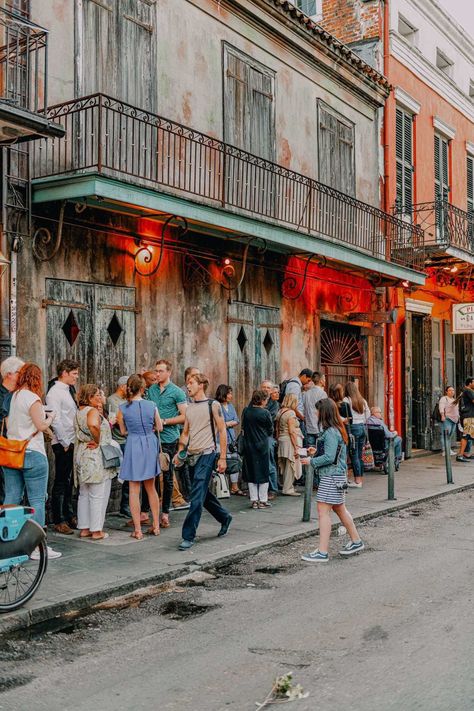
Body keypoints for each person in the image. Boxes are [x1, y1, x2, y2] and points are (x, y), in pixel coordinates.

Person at [3, 363, 61, 559]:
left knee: (11, 497)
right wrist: (51, 417)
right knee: (37, 500)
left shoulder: (13, 397)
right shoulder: (32, 398)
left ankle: (6, 540)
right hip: (32, 453)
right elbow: (41, 425)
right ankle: (37, 547)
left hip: (12, 453)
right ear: (36, 378)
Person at [301, 398, 365, 563]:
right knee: (340, 509)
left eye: (317, 411)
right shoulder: (337, 429)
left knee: (323, 512)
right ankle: (356, 541)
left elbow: (330, 457)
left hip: (331, 476)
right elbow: (334, 453)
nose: (315, 413)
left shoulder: (330, 432)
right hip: (338, 475)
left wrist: (311, 461)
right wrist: (316, 451)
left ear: (324, 413)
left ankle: (322, 552)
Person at [174, 373, 231, 550]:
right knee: (203, 494)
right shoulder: (189, 408)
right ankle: (224, 517)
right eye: (187, 383)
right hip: (192, 455)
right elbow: (185, 433)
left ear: (201, 385)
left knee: (196, 496)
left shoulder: (212, 405)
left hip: (207, 454)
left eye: (191, 383)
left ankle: (188, 535)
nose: (188, 386)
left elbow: (222, 430)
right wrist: (180, 452)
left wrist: (222, 457)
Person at [117, 374, 162, 539]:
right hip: (150, 444)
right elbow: (159, 427)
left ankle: (137, 530)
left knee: (134, 489)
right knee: (151, 488)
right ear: (143, 388)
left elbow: (122, 432)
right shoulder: (152, 405)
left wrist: (132, 431)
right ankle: (156, 526)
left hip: (133, 444)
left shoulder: (122, 408)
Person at [75, 384, 119, 540]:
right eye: (97, 395)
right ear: (89, 398)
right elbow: (93, 425)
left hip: (82, 454)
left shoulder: (80, 411)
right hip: (95, 456)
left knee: (84, 493)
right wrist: (98, 440)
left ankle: (85, 527)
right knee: (98, 494)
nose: (101, 398)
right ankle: (96, 530)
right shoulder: (92, 411)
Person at [148, 359, 188, 527]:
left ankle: (165, 513)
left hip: (169, 439)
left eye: (161, 371)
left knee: (167, 476)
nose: (157, 374)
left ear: (169, 372)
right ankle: (151, 513)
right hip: (152, 439)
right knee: (152, 476)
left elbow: (185, 416)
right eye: (156, 371)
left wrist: (164, 421)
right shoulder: (151, 389)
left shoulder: (177, 392)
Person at [46, 359, 79, 534]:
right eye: (74, 373)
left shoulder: (68, 390)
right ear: (64, 373)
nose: (76, 377)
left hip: (72, 441)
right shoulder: (54, 393)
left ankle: (69, 514)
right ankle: (59, 519)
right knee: (60, 481)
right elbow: (55, 419)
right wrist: (65, 443)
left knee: (69, 481)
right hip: (63, 443)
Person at [241, 389, 274, 508]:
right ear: (262, 400)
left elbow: (243, 426)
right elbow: (270, 430)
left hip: (249, 445)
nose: (267, 402)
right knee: (264, 472)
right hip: (262, 445)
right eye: (266, 400)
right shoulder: (265, 413)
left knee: (251, 472)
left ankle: (254, 500)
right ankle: (263, 500)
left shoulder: (246, 411)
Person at [0, 355, 24, 503]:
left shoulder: (19, 395)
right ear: (9, 374)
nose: (23, 376)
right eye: (20, 372)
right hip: (4, 447)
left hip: (15, 448)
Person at [107, 376, 130, 517]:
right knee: (117, 474)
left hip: (129, 440)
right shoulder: (112, 400)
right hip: (119, 440)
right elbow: (119, 420)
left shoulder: (128, 400)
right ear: (123, 387)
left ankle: (125, 505)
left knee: (129, 475)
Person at [215, 384, 241, 495]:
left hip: (231, 439)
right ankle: (221, 488)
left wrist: (225, 424)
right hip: (219, 439)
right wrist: (228, 424)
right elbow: (217, 424)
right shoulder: (217, 406)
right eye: (229, 393)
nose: (231, 395)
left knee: (233, 461)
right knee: (220, 462)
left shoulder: (230, 406)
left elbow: (237, 420)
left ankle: (234, 487)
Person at [276, 393, 304, 496]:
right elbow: (292, 431)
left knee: (285, 465)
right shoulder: (291, 413)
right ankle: (288, 489)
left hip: (282, 439)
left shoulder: (280, 411)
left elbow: (277, 429)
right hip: (289, 440)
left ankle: (286, 486)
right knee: (291, 465)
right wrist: (296, 447)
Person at [344, 381, 370, 487]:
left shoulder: (346, 400)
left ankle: (357, 481)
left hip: (353, 428)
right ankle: (359, 479)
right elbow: (368, 414)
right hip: (362, 427)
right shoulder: (362, 400)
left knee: (353, 454)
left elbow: (344, 414)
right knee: (359, 455)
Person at [261, 380, 278, 498]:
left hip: (268, 437)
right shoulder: (256, 401)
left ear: (271, 390)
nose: (265, 389)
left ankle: (273, 489)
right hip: (256, 436)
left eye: (268, 388)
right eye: (264, 387)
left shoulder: (274, 404)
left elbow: (269, 420)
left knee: (269, 463)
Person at [303, 371, 327, 445]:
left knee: (311, 452)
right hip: (320, 427)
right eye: (324, 379)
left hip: (309, 427)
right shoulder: (323, 394)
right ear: (321, 381)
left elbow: (304, 409)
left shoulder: (306, 394)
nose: (325, 381)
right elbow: (325, 411)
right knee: (320, 452)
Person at [456, 377, 474, 462]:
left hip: (469, 416)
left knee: (470, 435)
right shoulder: (468, 390)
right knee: (466, 435)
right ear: (470, 383)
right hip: (469, 417)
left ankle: (467, 454)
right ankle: (460, 455)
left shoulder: (465, 391)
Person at [438, 386, 458, 456]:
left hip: (454, 420)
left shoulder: (454, 399)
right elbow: (441, 407)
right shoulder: (444, 398)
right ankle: (445, 450)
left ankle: (448, 449)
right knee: (445, 435)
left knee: (449, 436)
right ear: (446, 391)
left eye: (453, 390)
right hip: (447, 419)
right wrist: (442, 415)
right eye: (450, 390)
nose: (452, 392)